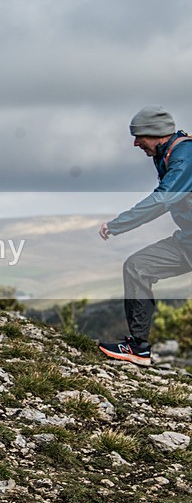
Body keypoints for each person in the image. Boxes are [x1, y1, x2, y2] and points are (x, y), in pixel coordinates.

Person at [98, 105, 192, 366]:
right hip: (187, 240)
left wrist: (119, 224)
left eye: (139, 136)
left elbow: (163, 200)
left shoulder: (186, 156)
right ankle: (137, 348)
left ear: (158, 133)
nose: (135, 142)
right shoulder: (166, 154)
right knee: (137, 266)